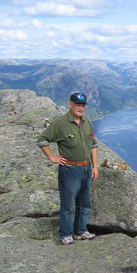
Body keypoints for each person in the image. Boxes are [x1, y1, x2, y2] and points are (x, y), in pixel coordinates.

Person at [37, 92, 99, 245]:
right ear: (70, 104)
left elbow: (93, 144)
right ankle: (65, 234)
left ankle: (81, 231)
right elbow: (42, 140)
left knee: (84, 203)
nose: (80, 108)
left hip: (86, 168)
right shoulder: (60, 123)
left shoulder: (87, 122)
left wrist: (95, 166)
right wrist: (53, 158)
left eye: (83, 105)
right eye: (77, 104)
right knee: (68, 204)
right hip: (70, 170)